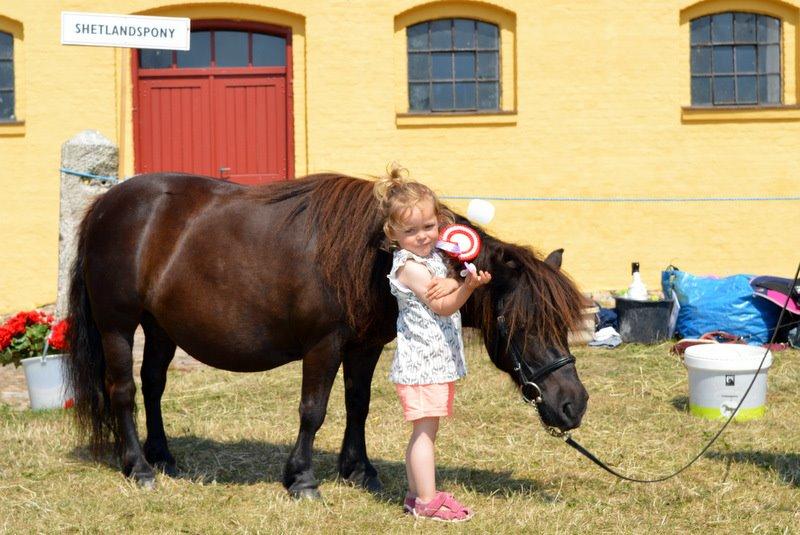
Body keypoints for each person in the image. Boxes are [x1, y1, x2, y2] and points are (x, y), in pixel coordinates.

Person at [373, 166, 491, 522]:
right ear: (393, 233)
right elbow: (442, 304)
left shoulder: (432, 258)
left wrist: (457, 279)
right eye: (411, 231)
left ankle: (414, 495)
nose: (423, 236)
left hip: (432, 361)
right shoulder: (409, 266)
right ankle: (427, 500)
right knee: (425, 433)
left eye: (428, 227)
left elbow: (447, 281)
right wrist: (467, 288)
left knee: (424, 430)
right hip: (423, 363)